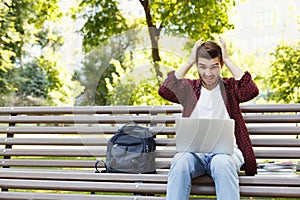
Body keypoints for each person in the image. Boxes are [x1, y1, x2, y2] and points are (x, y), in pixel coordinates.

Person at [158, 37, 259, 200]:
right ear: (197, 66)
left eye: (214, 66)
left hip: (226, 154)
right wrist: (190, 61)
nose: (208, 73)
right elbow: (165, 90)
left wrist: (227, 58)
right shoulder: (189, 88)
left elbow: (251, 90)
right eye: (202, 66)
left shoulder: (231, 87)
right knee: (179, 160)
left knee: (222, 163)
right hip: (194, 155)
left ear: (221, 66)